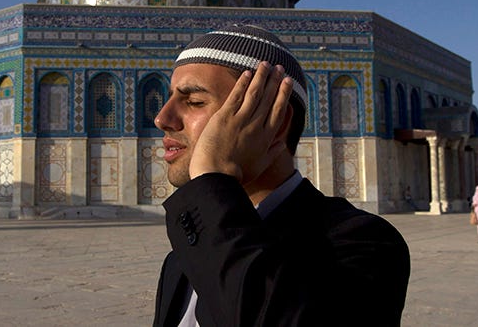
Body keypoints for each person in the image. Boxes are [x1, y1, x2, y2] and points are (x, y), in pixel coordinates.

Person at [152, 24, 411, 326]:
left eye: (194, 101)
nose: (162, 119)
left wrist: (212, 179)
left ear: (274, 121)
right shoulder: (183, 257)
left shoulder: (360, 243)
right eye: (169, 98)